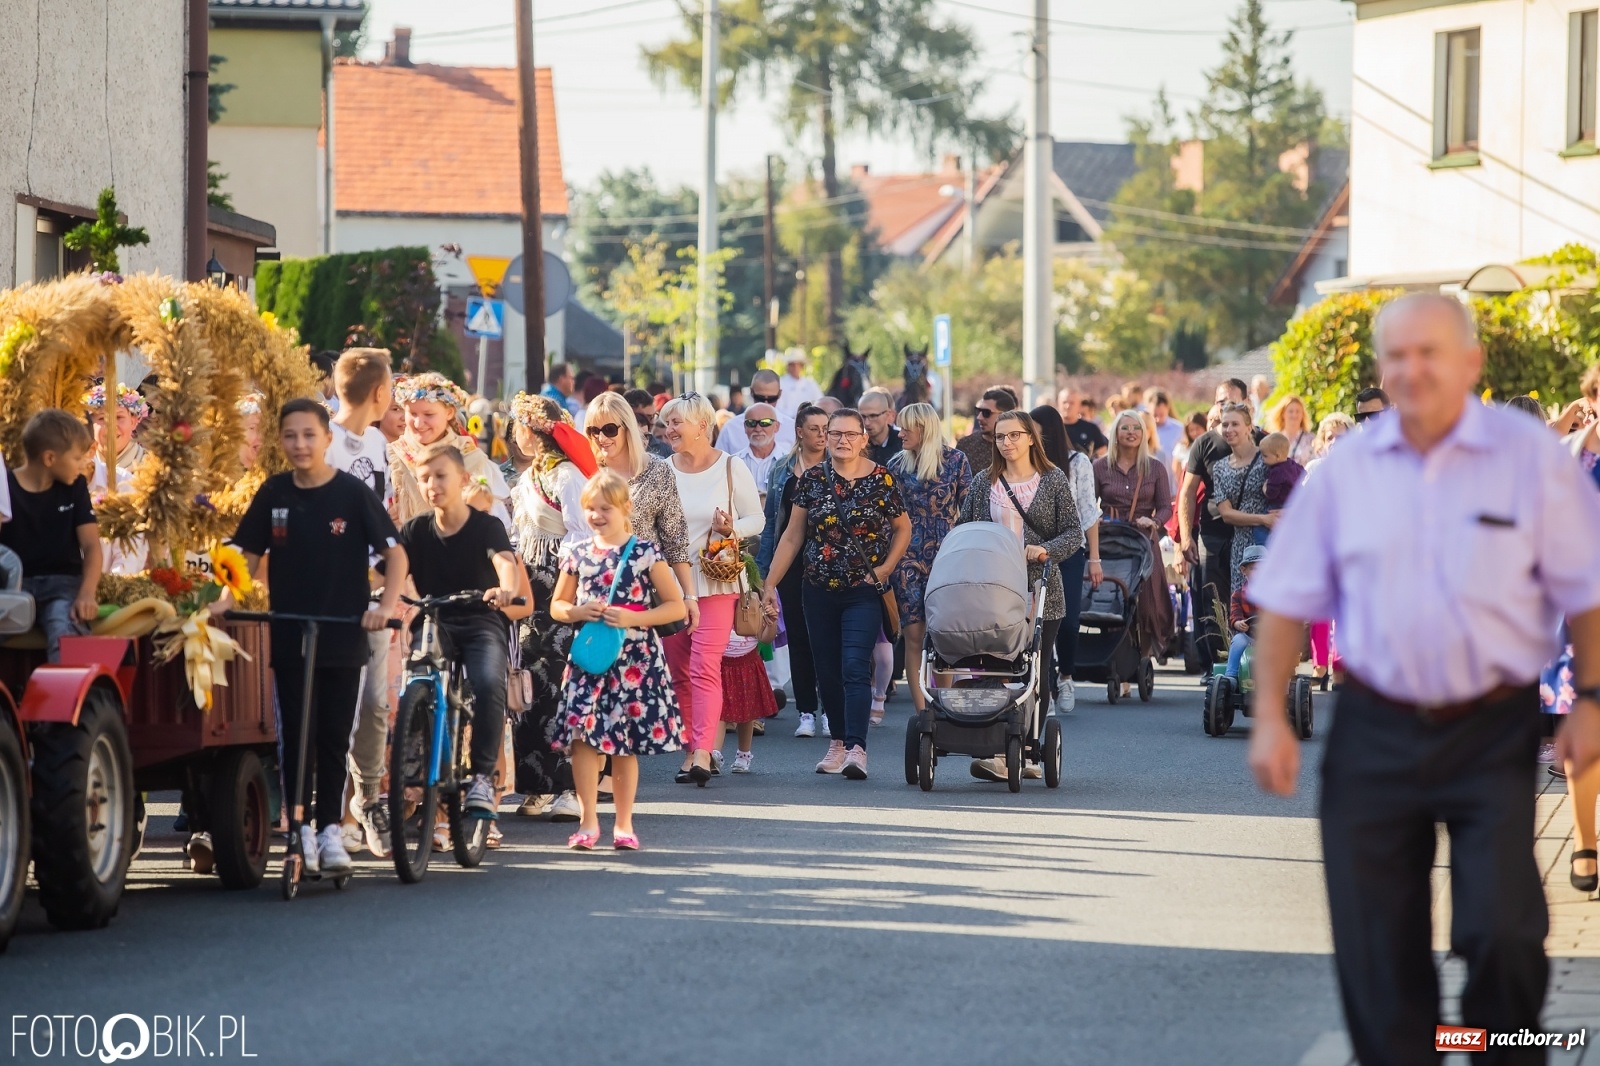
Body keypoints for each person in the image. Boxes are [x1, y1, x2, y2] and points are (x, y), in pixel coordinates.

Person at [1247, 293, 1600, 1066]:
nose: (1412, 370)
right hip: (1374, 728)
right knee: (1378, 954)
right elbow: (1284, 600)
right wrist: (1269, 714)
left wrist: (1593, 701)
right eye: (1397, 357)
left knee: (1504, 933)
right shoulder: (1343, 474)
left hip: (1491, 726)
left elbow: (1586, 589)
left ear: (1471, 362)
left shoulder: (1530, 458)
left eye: (1430, 353)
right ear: (1382, 371)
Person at [232, 398, 407, 877]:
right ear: (280, 440)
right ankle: (299, 829)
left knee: (333, 736)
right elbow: (246, 556)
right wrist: (226, 600)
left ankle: (330, 827)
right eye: (290, 435)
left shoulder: (351, 493)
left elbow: (395, 556)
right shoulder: (274, 492)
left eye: (309, 434)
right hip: (290, 632)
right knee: (295, 736)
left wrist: (384, 609)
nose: (300, 444)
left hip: (343, 634)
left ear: (328, 439)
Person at [763, 408, 910, 779]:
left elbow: (903, 528)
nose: (842, 440)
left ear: (863, 439)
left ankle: (857, 748)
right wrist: (769, 584)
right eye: (835, 434)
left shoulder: (881, 479)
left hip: (863, 590)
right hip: (817, 589)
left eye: (850, 434)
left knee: (854, 666)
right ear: (826, 438)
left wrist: (886, 567)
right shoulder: (812, 479)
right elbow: (792, 536)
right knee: (826, 669)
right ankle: (838, 743)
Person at [551, 470, 687, 847]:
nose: (596, 515)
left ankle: (624, 824)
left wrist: (633, 618)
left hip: (634, 660)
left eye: (605, 508)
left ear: (625, 508)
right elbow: (557, 605)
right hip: (590, 658)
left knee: (624, 742)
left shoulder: (645, 552)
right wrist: (577, 612)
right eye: (590, 508)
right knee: (582, 738)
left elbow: (675, 606)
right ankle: (588, 822)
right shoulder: (577, 553)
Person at [396, 446, 532, 820]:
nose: (432, 485)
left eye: (441, 476)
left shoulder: (487, 526)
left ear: (463, 478)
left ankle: (483, 778)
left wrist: (505, 589)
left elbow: (505, 564)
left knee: (488, 682)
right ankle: (415, 756)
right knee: (415, 682)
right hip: (434, 620)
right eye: (424, 478)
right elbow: (388, 570)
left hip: (480, 621)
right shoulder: (415, 530)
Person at [958, 410, 1082, 779]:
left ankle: (1028, 751)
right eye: (1000, 437)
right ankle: (996, 747)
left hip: (1040, 587)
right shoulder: (984, 482)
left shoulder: (1053, 479)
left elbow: (1073, 532)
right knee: (992, 664)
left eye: (1014, 435)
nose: (1007, 442)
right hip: (992, 589)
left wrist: (1045, 550)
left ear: (1030, 438)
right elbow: (964, 527)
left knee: (1035, 669)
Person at [320, 349, 401, 855]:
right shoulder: (322, 440)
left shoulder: (377, 442)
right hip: (329, 590)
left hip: (371, 588)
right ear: (379, 393)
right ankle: (323, 814)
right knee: (336, 706)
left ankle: (368, 797)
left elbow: (383, 510)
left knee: (374, 702)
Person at [663, 393, 765, 784]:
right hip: (672, 584)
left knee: (705, 664)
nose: (669, 430)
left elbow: (756, 517)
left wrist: (732, 529)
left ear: (702, 426)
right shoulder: (662, 470)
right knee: (679, 670)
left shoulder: (730, 467)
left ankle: (704, 751)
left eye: (676, 422)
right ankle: (691, 748)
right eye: (667, 423)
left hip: (717, 579)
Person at [509, 394, 599, 822]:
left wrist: (567, 577)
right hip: (529, 587)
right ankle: (538, 783)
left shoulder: (566, 475)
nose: (514, 435)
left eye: (518, 427)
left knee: (563, 684)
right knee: (531, 683)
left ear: (532, 431)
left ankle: (571, 787)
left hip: (563, 586)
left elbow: (583, 533)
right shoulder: (530, 477)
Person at [888, 403, 972, 713]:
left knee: (943, 636)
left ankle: (943, 708)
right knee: (914, 635)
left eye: (906, 427)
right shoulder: (896, 466)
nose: (900, 433)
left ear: (924, 428)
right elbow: (887, 518)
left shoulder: (956, 461)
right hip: (906, 557)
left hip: (947, 557)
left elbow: (971, 512)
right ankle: (923, 713)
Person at [1, 411, 97, 662]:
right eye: (77, 458)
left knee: (66, 634)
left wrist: (87, 593)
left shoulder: (75, 488)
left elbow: (91, 545)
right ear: (50, 458)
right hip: (14, 588)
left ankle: (67, 686)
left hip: (63, 588)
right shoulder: (5, 487)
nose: (82, 465)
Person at [758, 404, 829, 739]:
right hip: (790, 563)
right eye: (815, 428)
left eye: (826, 428)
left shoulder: (836, 466)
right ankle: (806, 712)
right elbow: (772, 522)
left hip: (828, 562)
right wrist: (764, 572)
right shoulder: (782, 469)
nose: (822, 435)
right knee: (799, 640)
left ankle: (830, 710)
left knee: (826, 640)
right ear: (800, 432)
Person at [1093, 410, 1175, 685]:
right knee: (1113, 601)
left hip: (1143, 540)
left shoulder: (1156, 468)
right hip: (1112, 540)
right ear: (1115, 433)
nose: (1131, 432)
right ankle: (1117, 658)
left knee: (1149, 605)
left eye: (1136, 428)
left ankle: (1144, 656)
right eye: (1125, 428)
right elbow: (1087, 504)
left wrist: (1154, 520)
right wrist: (1096, 520)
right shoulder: (1100, 467)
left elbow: (1165, 507)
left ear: (1144, 433)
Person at [1032, 405, 1102, 713]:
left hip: (1071, 550)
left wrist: (1095, 558)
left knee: (1070, 621)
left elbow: (1088, 511)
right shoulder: (1027, 463)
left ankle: (1066, 676)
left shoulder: (1078, 462)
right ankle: (1044, 687)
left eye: (1033, 429)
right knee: (1041, 621)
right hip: (1036, 551)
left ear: (1047, 430)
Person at [389, 373, 511, 528]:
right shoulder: (392, 456)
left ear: (449, 413)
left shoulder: (472, 458)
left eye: (428, 414)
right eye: (412, 414)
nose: (419, 423)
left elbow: (496, 521)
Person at [1211, 403, 1271, 595]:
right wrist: (1263, 519)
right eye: (1225, 425)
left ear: (1248, 427)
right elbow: (1227, 514)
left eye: (1235, 424)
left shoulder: (1267, 458)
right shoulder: (1220, 468)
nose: (1229, 429)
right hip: (1242, 548)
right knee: (1242, 604)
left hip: (1270, 540)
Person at [717, 369, 794, 455]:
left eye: (771, 399)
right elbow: (718, 461)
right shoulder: (731, 428)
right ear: (751, 392)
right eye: (760, 398)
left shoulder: (792, 428)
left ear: (779, 394)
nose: (766, 403)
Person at [83, 382, 149, 470]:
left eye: (119, 417)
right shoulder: (79, 468)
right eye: (102, 418)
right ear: (90, 424)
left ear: (133, 422)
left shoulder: (152, 467)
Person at [1256, 432, 1305, 545]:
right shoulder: (1291, 463)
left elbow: (1271, 493)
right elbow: (1303, 472)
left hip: (1278, 505)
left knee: (1260, 528)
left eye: (1265, 456)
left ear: (1277, 456)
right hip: (1292, 503)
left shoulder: (1276, 471)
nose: (1262, 459)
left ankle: (1263, 546)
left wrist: (1265, 488)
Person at [1223, 545, 1264, 679]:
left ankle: (1283, 678)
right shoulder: (1238, 595)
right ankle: (1231, 675)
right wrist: (1238, 623)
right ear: (1243, 570)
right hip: (1248, 636)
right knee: (1238, 640)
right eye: (1254, 569)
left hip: (1269, 636)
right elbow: (1234, 616)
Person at [730, 403, 783, 504]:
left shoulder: (790, 463)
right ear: (745, 427)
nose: (758, 429)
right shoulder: (732, 463)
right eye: (751, 423)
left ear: (777, 426)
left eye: (765, 422)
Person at [956, 386, 1016, 474]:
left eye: (986, 413)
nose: (979, 417)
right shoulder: (966, 445)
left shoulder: (1020, 447)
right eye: (978, 411)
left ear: (1005, 415)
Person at [775, 349, 823, 428]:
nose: (795, 367)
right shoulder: (781, 383)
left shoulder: (810, 383)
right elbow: (778, 406)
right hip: (787, 423)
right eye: (792, 365)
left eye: (797, 364)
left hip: (810, 423)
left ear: (802, 366)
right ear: (788, 366)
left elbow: (819, 402)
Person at [1266, 393, 1316, 466]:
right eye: (1291, 411)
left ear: (1302, 415)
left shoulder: (1311, 439)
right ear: (1283, 414)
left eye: (1298, 411)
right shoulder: (1274, 439)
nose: (1294, 415)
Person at [1058, 387, 1109, 458]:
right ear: (1058, 404)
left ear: (1079, 406)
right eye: (1064, 402)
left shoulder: (1091, 428)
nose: (1067, 406)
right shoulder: (1050, 428)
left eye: (1072, 403)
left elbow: (1102, 450)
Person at [858, 387, 902, 467]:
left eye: (873, 416)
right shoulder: (857, 446)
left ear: (888, 415)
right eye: (863, 416)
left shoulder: (904, 443)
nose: (867, 423)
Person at [626, 387, 673, 458]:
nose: (652, 422)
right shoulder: (614, 447)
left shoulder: (665, 451)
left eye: (654, 416)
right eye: (645, 417)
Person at [1144, 387, 1183, 457]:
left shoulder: (1179, 429)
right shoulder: (1142, 428)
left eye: (1161, 415)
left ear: (1167, 409)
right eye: (1155, 415)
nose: (1158, 419)